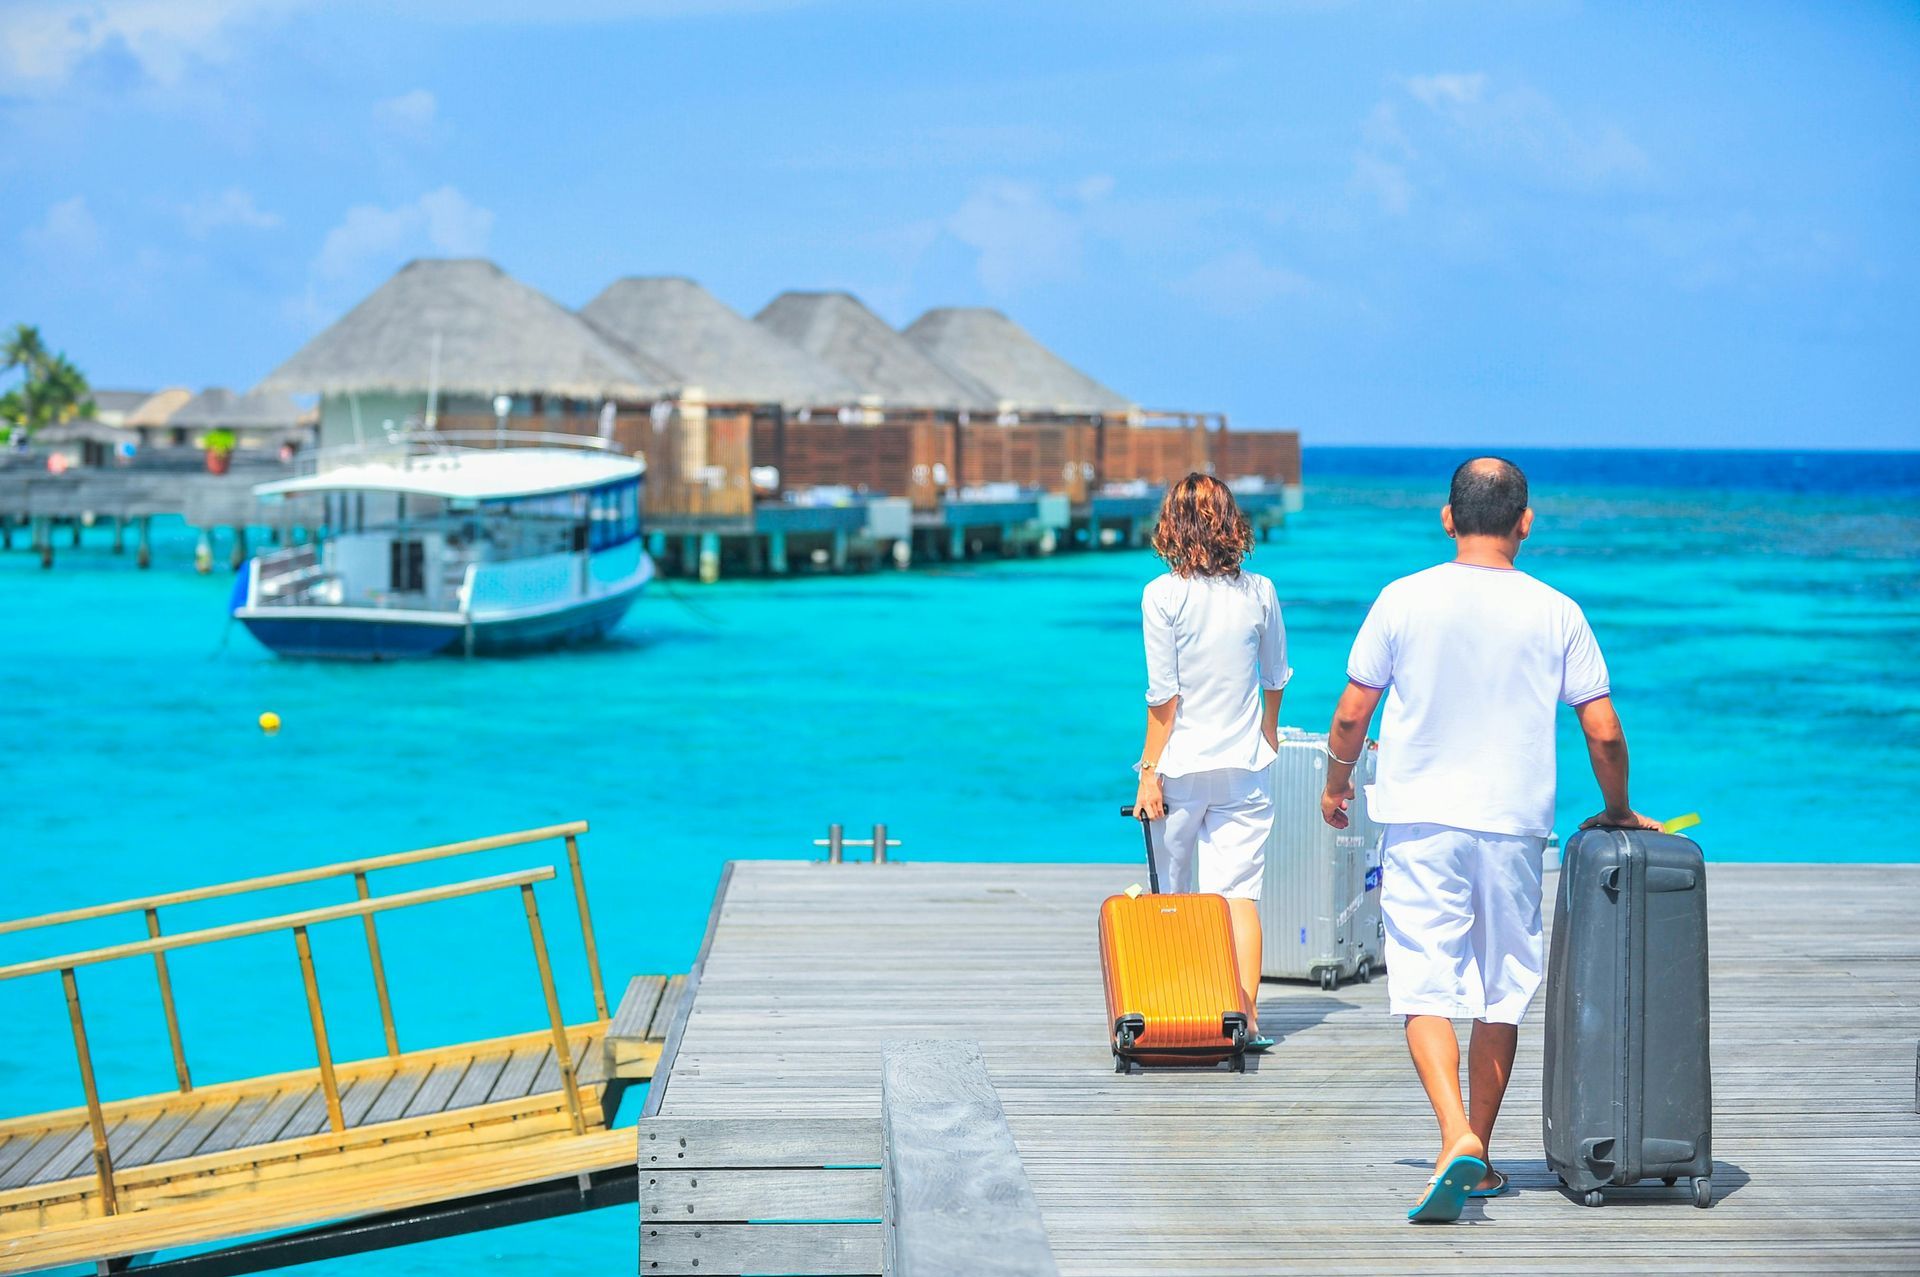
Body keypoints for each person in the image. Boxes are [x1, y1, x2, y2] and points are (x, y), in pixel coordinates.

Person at [1319, 457, 1659, 1223]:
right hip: (1513, 826)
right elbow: (1601, 729)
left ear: (1448, 517)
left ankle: (1454, 1136)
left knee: (1424, 980)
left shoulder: (1402, 598)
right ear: (1525, 520)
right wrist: (1619, 809)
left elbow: (1350, 714)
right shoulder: (1557, 610)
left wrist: (1337, 784)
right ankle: (1479, 1155)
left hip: (1421, 819)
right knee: (1501, 985)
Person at [1132, 473, 1290, 1040]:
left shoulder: (1162, 594)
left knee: (1170, 897)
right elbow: (1275, 676)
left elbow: (1163, 697)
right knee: (1238, 897)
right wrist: (1267, 731)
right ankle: (1245, 1018)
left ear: (1170, 527)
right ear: (1232, 524)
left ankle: (1179, 1010)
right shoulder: (1261, 590)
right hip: (1244, 767)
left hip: (1180, 768)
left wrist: (1148, 772)